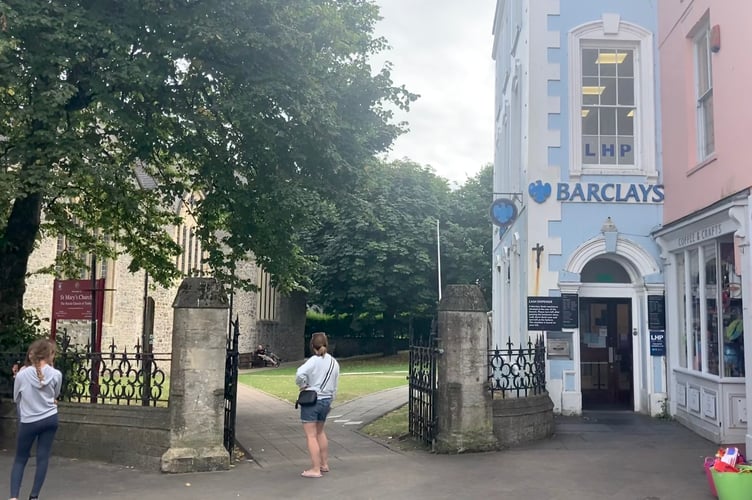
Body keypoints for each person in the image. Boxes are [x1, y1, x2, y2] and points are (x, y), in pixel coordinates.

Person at [9, 339, 62, 500]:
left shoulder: (22, 375)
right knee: (43, 457)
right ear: (49, 354)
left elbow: (16, 397)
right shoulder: (56, 374)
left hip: (29, 420)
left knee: (20, 459)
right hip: (50, 418)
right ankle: (34, 496)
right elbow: (55, 395)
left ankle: (14, 497)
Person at [295, 332, 339, 478]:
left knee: (311, 436)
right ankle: (324, 464)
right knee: (320, 432)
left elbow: (300, 373)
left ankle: (315, 469)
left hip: (313, 400)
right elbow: (335, 385)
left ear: (312, 346)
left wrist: (304, 386)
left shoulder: (313, 360)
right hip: (327, 400)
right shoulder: (334, 362)